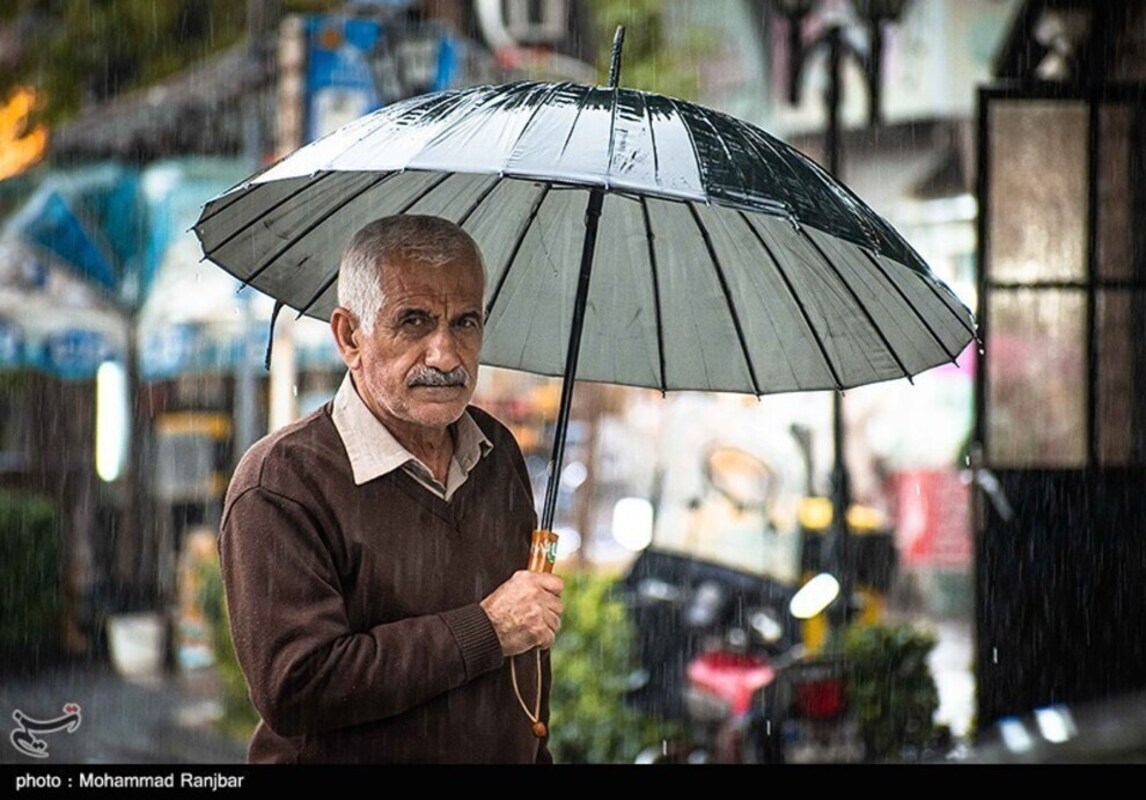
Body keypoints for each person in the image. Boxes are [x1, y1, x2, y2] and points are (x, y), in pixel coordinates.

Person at [218, 214, 564, 764]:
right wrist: (486, 630)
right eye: (414, 321)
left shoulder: (497, 452)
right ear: (350, 336)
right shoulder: (282, 482)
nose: (446, 355)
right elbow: (297, 686)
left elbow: (521, 678)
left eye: (466, 322)